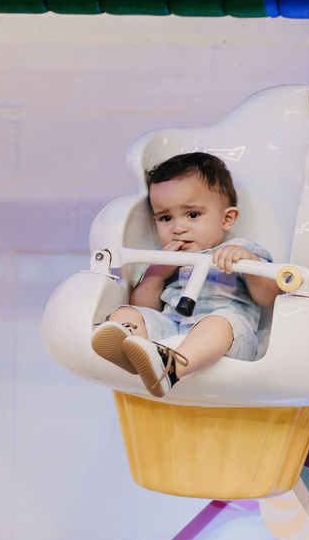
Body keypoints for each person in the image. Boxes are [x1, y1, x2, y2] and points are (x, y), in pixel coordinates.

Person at [89, 152, 280, 397]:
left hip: (228, 340)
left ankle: (171, 368)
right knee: (125, 312)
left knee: (218, 321)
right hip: (171, 329)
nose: (178, 228)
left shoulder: (241, 250)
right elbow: (145, 307)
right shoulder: (166, 258)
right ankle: (128, 346)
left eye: (192, 215)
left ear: (227, 219)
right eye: (166, 218)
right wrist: (156, 275)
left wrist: (247, 262)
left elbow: (270, 298)